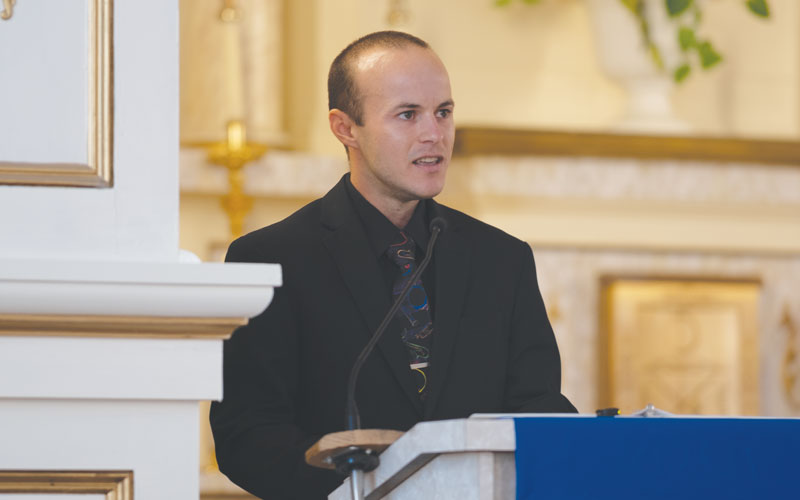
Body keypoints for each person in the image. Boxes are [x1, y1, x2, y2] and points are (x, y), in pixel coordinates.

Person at [210, 30, 577, 500]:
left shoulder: (502, 258)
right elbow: (249, 434)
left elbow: (537, 406)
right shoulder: (270, 259)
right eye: (408, 115)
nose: (434, 134)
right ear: (345, 128)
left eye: (443, 112)